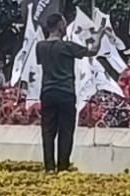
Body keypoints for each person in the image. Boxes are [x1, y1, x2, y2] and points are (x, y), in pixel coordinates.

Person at [36, 12, 97, 173]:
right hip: (65, 93)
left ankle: (49, 167)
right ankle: (63, 167)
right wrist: (101, 34)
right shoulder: (67, 46)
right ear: (59, 26)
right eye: (64, 23)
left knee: (48, 131)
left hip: (47, 92)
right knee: (66, 131)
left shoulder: (40, 46)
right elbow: (93, 51)